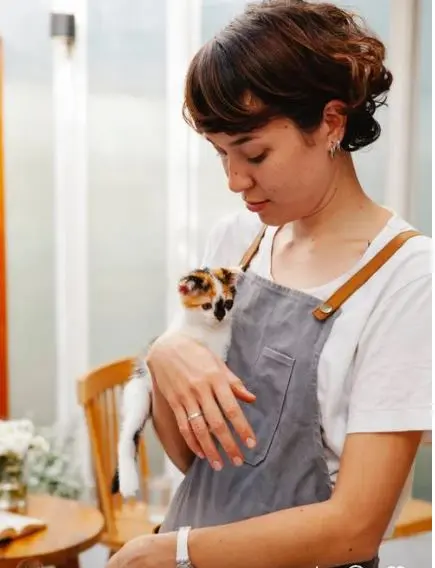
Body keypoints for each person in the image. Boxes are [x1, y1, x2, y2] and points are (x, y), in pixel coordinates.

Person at [107, 1, 431, 567]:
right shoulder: (236, 240)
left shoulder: (410, 279)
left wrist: (175, 552)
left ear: (331, 122)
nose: (235, 180)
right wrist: (164, 357)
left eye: (254, 153)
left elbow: (354, 529)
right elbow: (198, 462)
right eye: (221, 155)